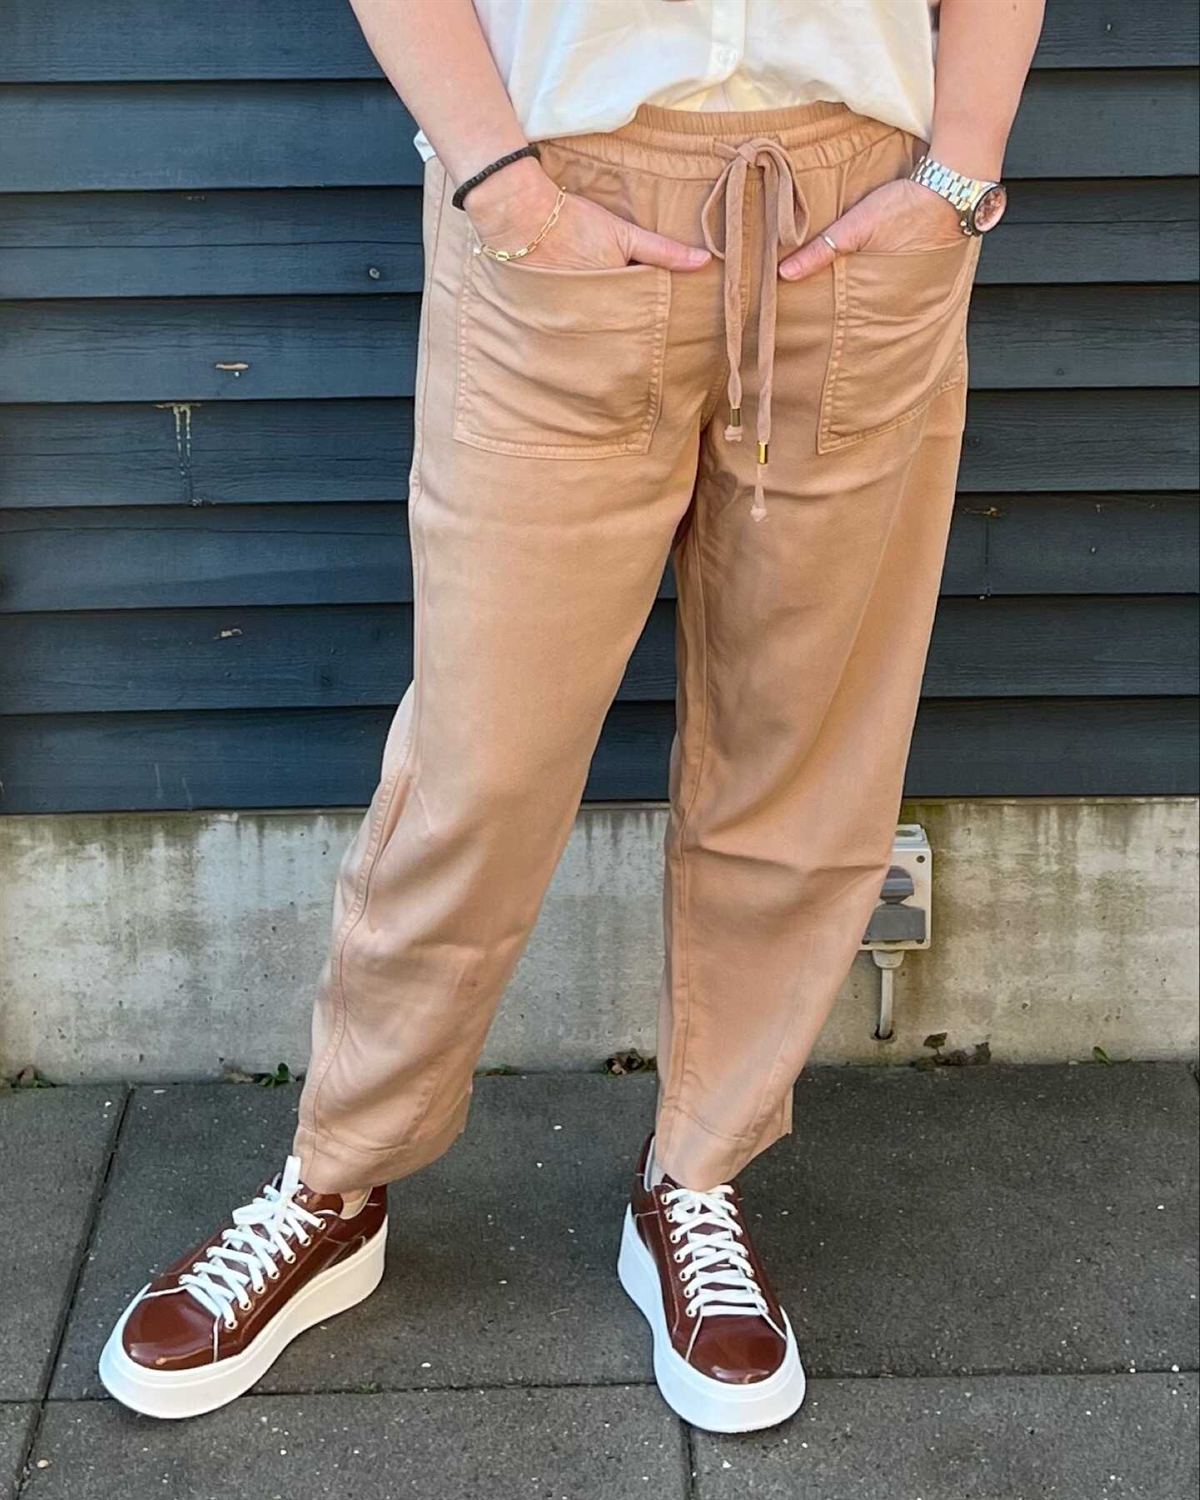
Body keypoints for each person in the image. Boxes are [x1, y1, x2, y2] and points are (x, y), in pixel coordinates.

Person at [99, 0, 1043, 1433]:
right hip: (558, 195)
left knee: (805, 748)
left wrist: (958, 174)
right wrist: (502, 185)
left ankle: (697, 1180)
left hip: (860, 215)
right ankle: (334, 1181)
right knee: (482, 758)